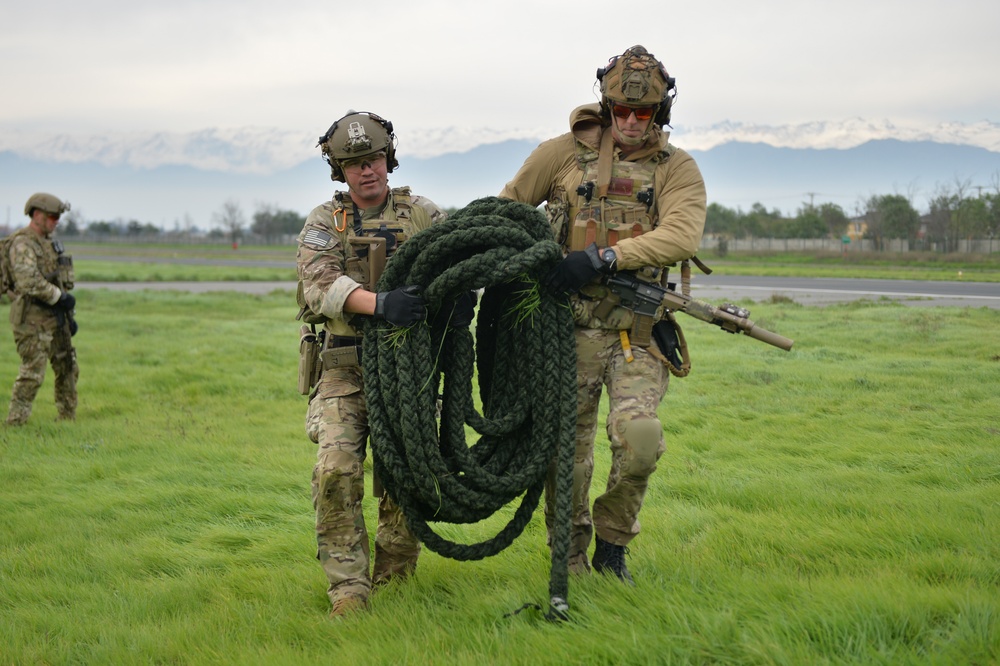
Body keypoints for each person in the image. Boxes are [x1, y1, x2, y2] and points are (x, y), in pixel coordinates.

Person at [499, 45, 707, 583]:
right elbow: (507, 209)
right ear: (607, 106)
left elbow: (681, 235)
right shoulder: (565, 154)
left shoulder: (676, 168)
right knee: (564, 456)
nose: (632, 121)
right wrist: (534, 262)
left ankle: (613, 545)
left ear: (660, 114)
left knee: (640, 441)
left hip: (634, 334)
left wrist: (604, 257)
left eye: (644, 113)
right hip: (564, 331)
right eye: (621, 111)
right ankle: (567, 560)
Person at [296, 111, 448, 617]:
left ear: (389, 158)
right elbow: (318, 285)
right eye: (355, 163)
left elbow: (460, 262)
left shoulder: (422, 213)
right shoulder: (325, 221)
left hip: (410, 371)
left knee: (406, 476)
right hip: (345, 367)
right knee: (336, 470)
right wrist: (380, 305)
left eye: (375, 158)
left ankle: (396, 578)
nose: (368, 170)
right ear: (340, 170)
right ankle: (347, 588)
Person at [4, 192, 78, 426]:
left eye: (58, 217)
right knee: (32, 375)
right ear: (37, 215)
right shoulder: (22, 243)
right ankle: (15, 424)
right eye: (52, 216)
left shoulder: (49, 244)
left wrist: (67, 315)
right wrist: (59, 297)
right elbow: (28, 281)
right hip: (32, 319)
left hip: (56, 318)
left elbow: (57, 280)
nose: (56, 221)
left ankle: (67, 420)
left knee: (68, 367)